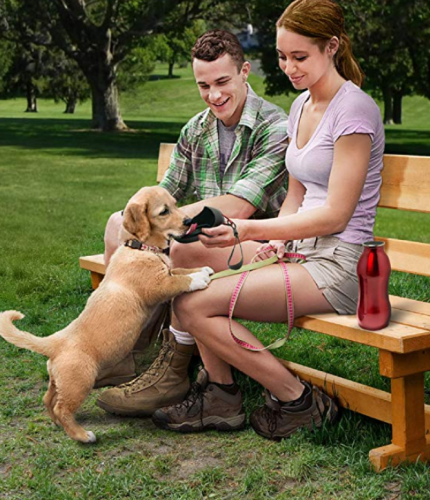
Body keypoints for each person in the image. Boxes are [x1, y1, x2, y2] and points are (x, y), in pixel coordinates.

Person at [150, 0, 385, 440]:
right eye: (282, 56)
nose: (290, 67)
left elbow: (336, 214)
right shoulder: (300, 106)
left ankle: (298, 400)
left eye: (300, 57)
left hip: (338, 265)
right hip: (298, 251)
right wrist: (278, 241)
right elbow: (296, 195)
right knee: (185, 252)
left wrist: (251, 229)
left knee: (192, 304)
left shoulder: (354, 111)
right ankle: (220, 397)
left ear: (331, 47)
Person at [96, 30, 288, 415]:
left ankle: (173, 370)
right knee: (117, 223)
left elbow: (241, 205)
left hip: (261, 246)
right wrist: (139, 218)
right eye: (204, 85)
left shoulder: (274, 127)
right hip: (204, 238)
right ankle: (120, 349)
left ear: (244, 71)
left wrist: (167, 222)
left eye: (222, 82)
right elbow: (163, 193)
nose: (214, 95)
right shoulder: (197, 128)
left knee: (182, 248)